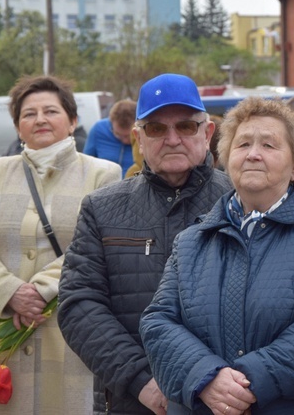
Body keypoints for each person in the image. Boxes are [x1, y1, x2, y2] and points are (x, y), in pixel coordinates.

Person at [139, 97, 294, 414]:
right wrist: (206, 378)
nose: (254, 154)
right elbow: (158, 321)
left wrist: (250, 381)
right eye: (243, 144)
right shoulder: (191, 240)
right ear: (225, 158)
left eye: (270, 146)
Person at [58, 73, 233, 414]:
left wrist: (219, 382)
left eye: (185, 126)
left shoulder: (239, 203)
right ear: (138, 137)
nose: (172, 139)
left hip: (223, 400)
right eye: (156, 129)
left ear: (207, 133)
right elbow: (79, 304)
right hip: (134, 400)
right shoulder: (102, 208)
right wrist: (142, 382)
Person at [0, 75, 121, 413]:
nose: (39, 119)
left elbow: (95, 246)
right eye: (29, 114)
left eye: (51, 111)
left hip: (68, 333)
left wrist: (39, 290)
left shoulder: (103, 174)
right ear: (17, 127)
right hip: (1, 330)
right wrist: (9, 292)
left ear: (72, 121)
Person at [84, 99, 137, 175]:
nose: (125, 141)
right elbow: (86, 164)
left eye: (130, 136)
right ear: (111, 122)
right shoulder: (98, 130)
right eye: (118, 134)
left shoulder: (146, 133)